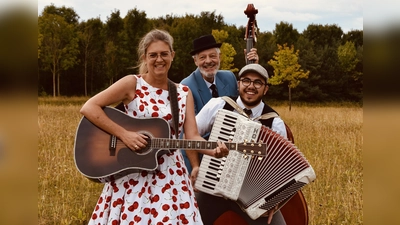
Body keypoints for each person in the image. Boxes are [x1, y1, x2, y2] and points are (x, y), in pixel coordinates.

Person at [80, 29, 229, 225]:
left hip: (171, 176)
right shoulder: (132, 84)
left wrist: (213, 151)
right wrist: (125, 135)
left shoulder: (183, 93)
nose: (159, 59)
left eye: (164, 54)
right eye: (153, 55)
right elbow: (89, 107)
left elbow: (192, 136)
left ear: (172, 56)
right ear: (145, 57)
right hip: (133, 174)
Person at [190, 63, 288, 225]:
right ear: (238, 84)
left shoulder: (274, 122)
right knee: (188, 219)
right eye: (246, 80)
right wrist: (195, 165)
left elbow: (279, 166)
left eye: (258, 82)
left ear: (265, 89)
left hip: (252, 197)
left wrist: (273, 198)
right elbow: (191, 136)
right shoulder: (219, 105)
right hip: (211, 187)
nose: (251, 86)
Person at [181, 34, 259, 173]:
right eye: (202, 57)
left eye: (212, 56)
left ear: (219, 57)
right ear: (195, 61)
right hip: (198, 156)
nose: (208, 61)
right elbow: (189, 133)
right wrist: (195, 166)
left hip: (229, 155)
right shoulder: (186, 87)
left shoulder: (229, 77)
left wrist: (254, 67)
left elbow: (247, 102)